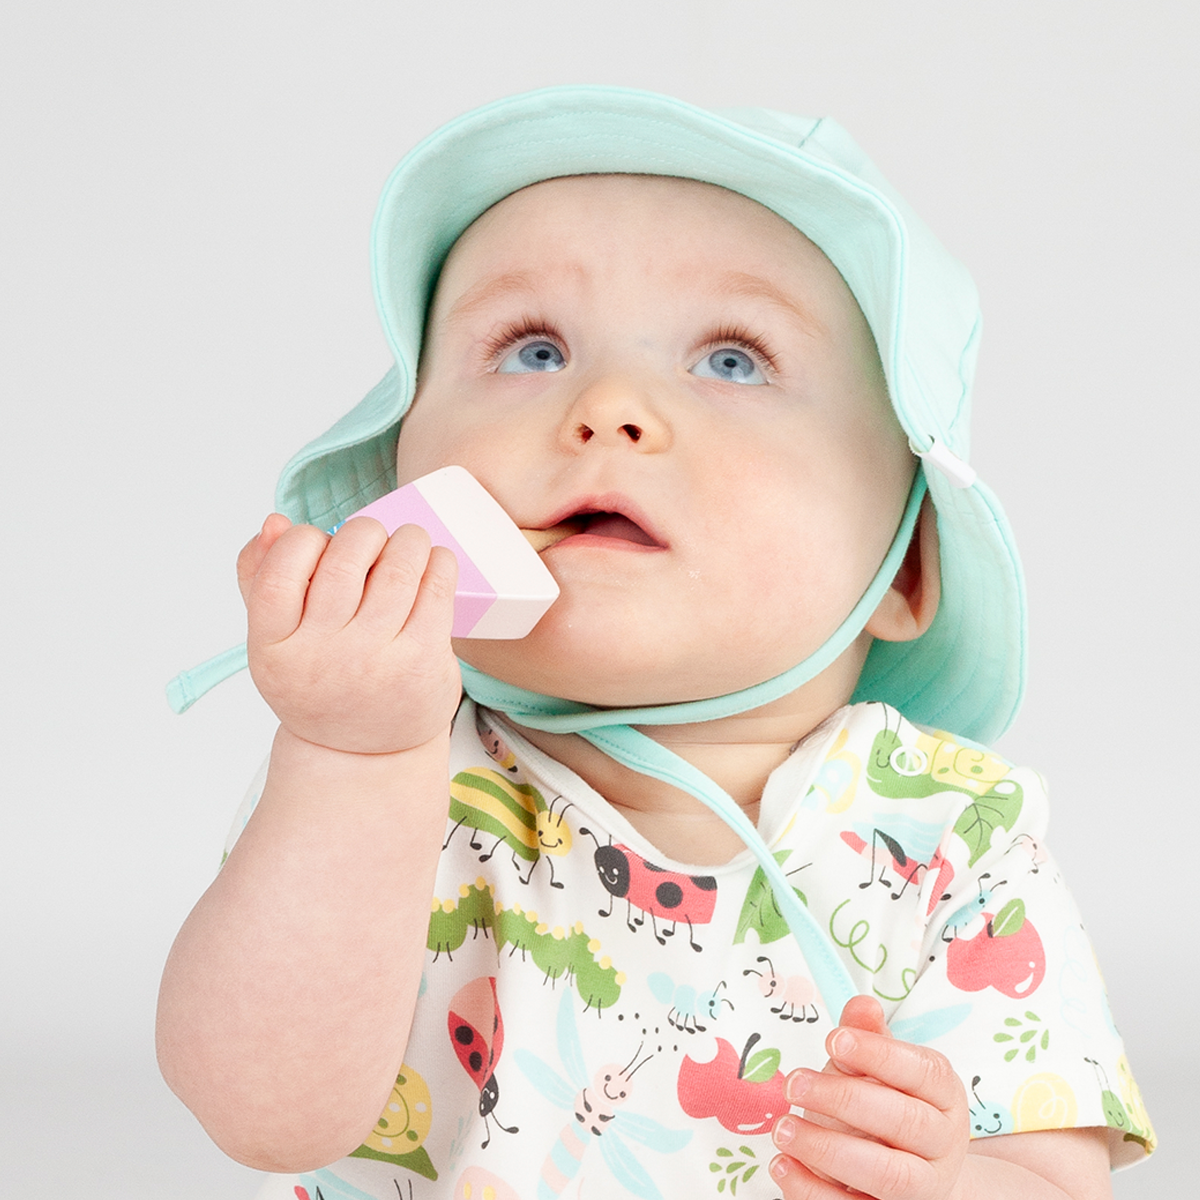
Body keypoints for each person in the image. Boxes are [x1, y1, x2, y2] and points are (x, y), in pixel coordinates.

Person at [156, 87, 1154, 1200]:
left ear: (907, 567)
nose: (608, 404)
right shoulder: (384, 776)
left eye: (733, 360)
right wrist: (346, 754)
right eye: (534, 348)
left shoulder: (954, 841)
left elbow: (1056, 1179)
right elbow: (258, 1113)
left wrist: (950, 1182)